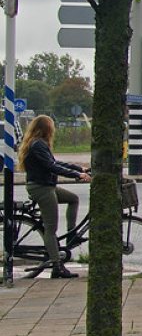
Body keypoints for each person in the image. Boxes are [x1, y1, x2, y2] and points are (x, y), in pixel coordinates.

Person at [17, 115, 90, 278]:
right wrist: (76, 175)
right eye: (52, 126)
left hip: (46, 186)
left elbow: (55, 162)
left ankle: (71, 234)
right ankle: (57, 266)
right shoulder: (37, 145)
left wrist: (79, 169)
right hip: (41, 188)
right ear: (46, 129)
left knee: (73, 199)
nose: (54, 130)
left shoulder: (39, 143)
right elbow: (51, 166)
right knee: (51, 229)